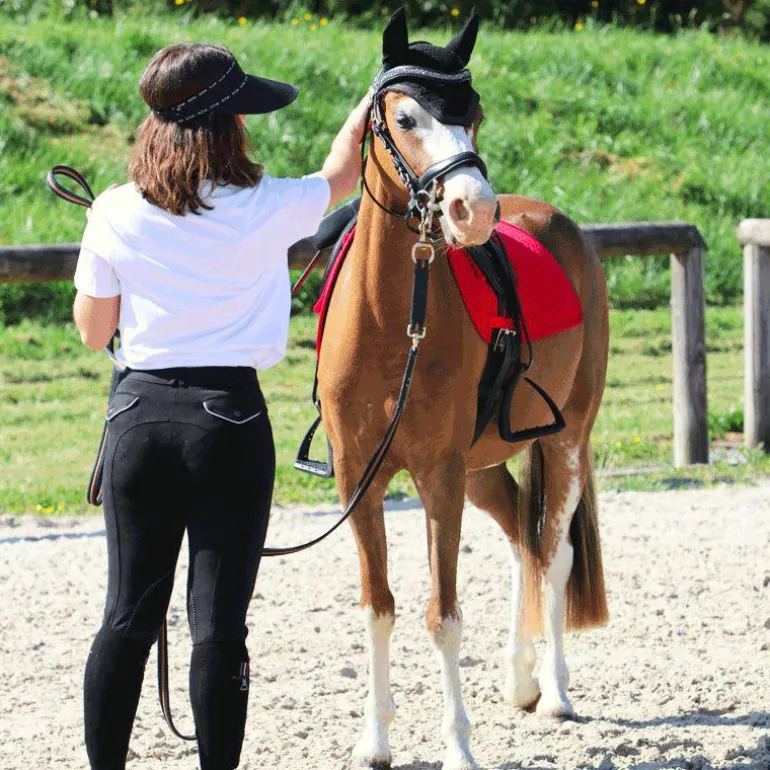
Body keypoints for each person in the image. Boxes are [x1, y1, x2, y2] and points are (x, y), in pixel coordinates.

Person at [73, 41, 369, 770]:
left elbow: (93, 331)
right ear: (224, 126)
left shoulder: (113, 210)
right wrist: (363, 115)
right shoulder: (268, 205)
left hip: (138, 419)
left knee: (126, 617)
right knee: (218, 628)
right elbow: (343, 175)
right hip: (229, 422)